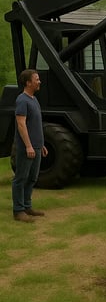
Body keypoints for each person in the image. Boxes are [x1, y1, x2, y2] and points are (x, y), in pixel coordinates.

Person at [12, 69, 48, 223]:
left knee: (32, 178)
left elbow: (35, 125)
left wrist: (41, 144)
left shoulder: (34, 99)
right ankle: (18, 211)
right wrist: (28, 146)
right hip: (26, 148)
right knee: (21, 178)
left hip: (37, 146)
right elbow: (21, 124)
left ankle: (27, 206)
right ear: (28, 82)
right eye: (36, 79)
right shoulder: (22, 100)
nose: (39, 82)